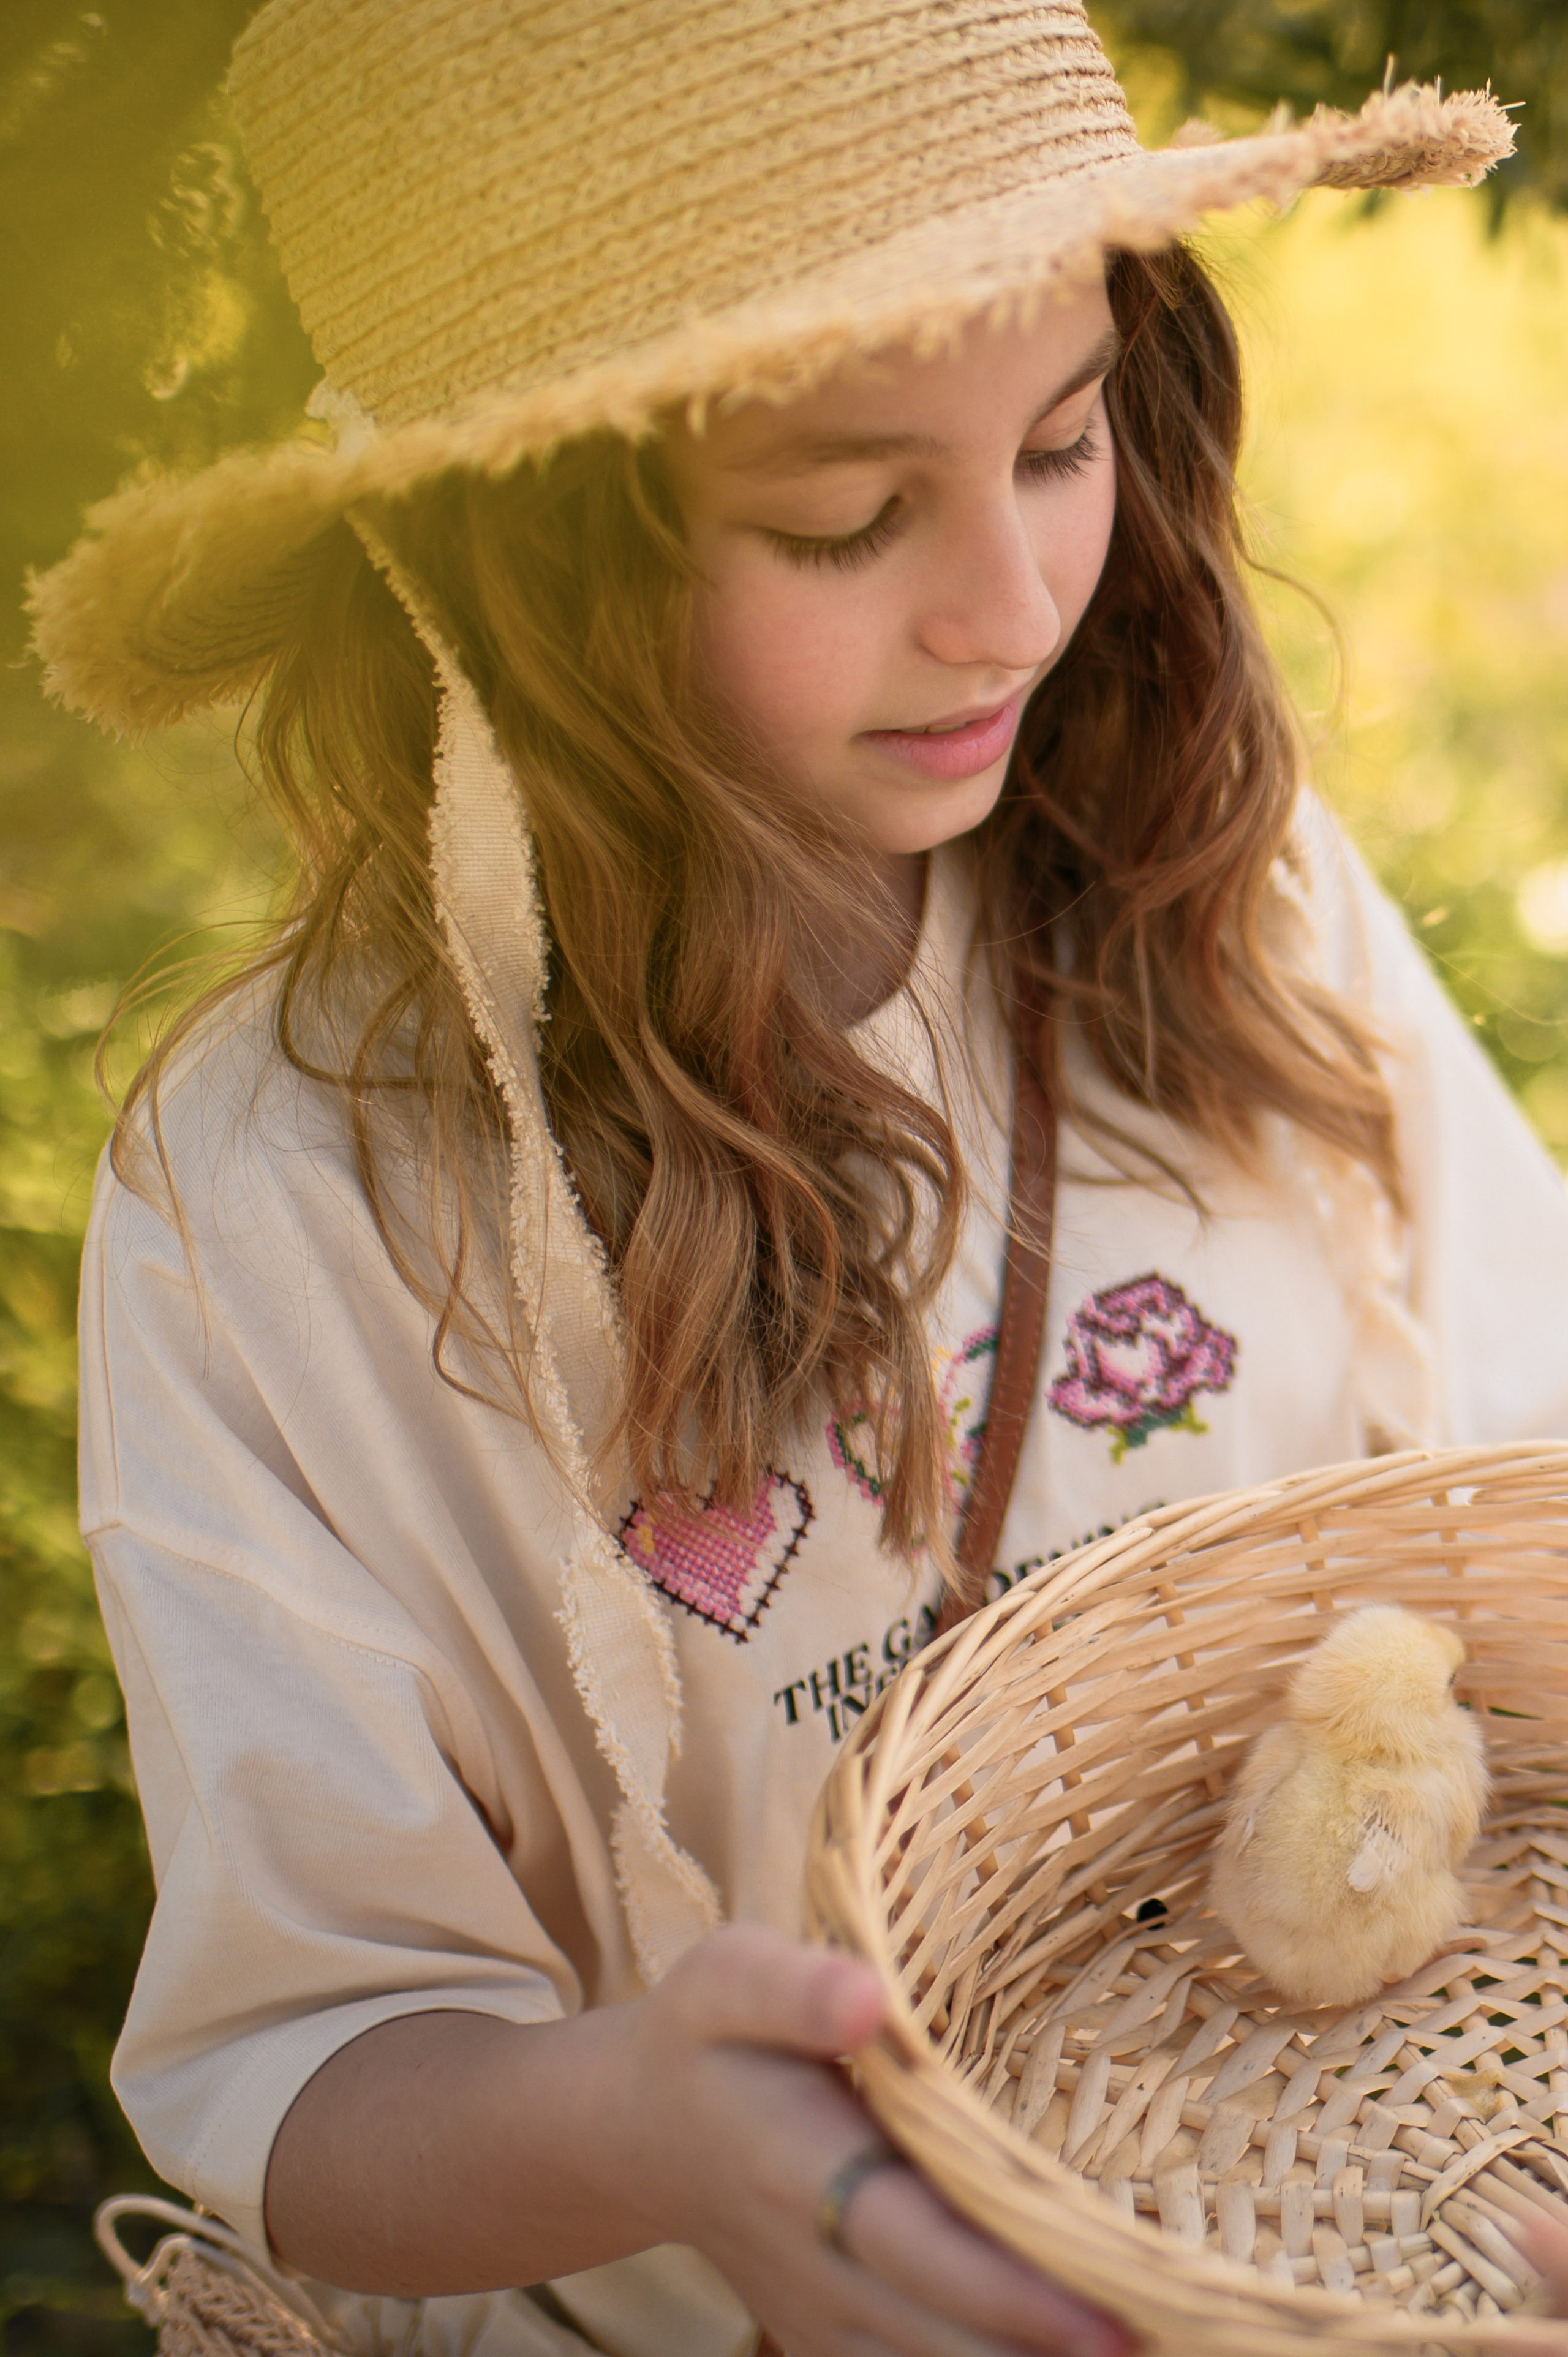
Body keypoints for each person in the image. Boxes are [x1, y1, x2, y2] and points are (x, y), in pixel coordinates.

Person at [29, 2, 1568, 2353]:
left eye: (1066, 445)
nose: (1016, 605)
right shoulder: (288, 1201)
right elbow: (311, 2075)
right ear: (515, 569)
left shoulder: (1217, 900)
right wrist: (657, 2123)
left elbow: (1519, 1492)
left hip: (1349, 2231)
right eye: (842, 515)